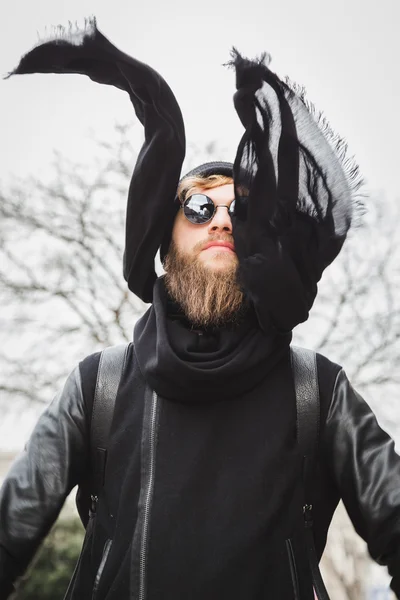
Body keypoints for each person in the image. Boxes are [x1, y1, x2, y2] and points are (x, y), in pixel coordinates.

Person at [1, 18, 400, 600]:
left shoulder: (318, 390)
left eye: (239, 210)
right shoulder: (98, 385)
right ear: (164, 244)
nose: (219, 219)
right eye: (196, 205)